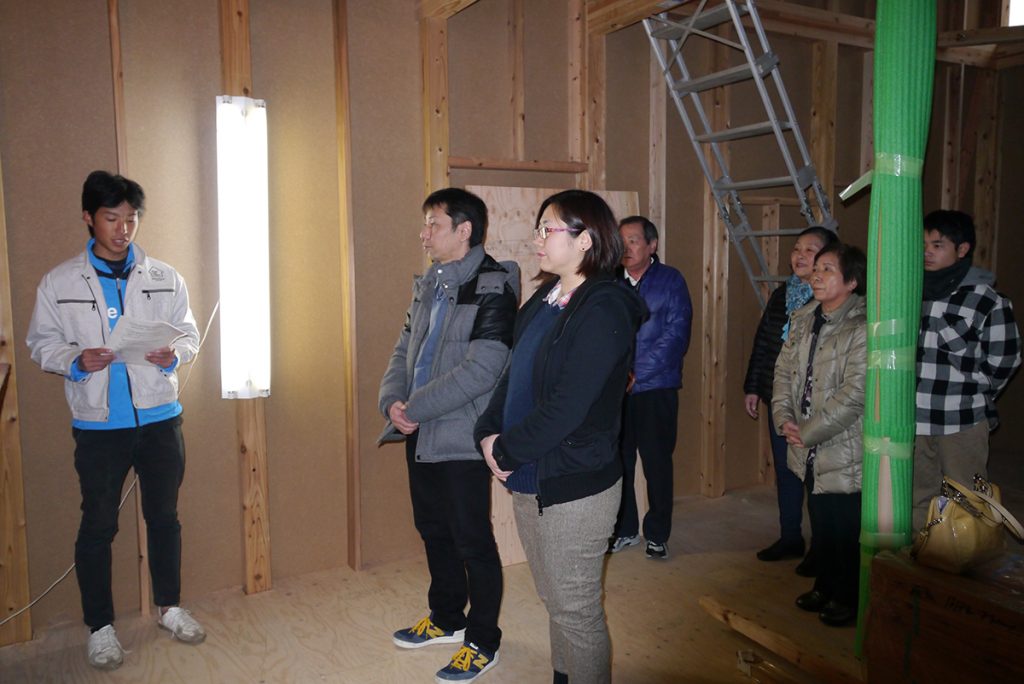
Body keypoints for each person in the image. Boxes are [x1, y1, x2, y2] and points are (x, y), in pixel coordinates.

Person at [26, 171, 204, 670]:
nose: (123, 229)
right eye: (112, 218)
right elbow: (41, 343)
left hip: (160, 419)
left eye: (131, 219)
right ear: (88, 218)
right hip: (99, 426)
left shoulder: (164, 276)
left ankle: (169, 608)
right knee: (98, 525)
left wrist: (175, 354)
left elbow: (188, 334)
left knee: (164, 517)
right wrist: (74, 360)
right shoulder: (60, 282)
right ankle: (100, 628)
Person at [475, 190, 644, 684]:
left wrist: (506, 448)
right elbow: (512, 374)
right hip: (530, 475)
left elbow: (569, 405)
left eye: (547, 229)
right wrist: (486, 431)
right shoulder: (545, 298)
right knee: (554, 600)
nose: (537, 238)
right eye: (538, 228)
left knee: (577, 611)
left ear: (585, 239)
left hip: (575, 484)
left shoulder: (606, 307)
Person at [378, 187, 518, 683]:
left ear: (464, 230)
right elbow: (403, 350)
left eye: (433, 224)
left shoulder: (495, 285)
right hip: (419, 430)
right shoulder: (429, 285)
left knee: (471, 540)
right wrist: (391, 403)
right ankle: (446, 617)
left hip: (460, 435)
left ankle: (482, 640)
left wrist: (411, 409)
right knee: (433, 529)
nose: (424, 234)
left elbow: (482, 370)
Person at [772, 242, 866, 627]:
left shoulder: (861, 327)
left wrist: (807, 432)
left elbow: (856, 394)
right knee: (821, 521)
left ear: (852, 282)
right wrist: (784, 418)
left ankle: (849, 596)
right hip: (805, 441)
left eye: (828, 269)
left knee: (845, 524)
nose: (817, 276)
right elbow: (783, 372)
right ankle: (825, 586)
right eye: (817, 268)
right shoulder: (803, 317)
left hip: (841, 442)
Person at [913, 210, 1021, 530]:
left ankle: (967, 556)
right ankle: (924, 552)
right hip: (915, 418)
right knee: (919, 495)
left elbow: (1006, 359)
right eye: (923, 245)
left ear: (962, 250)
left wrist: (974, 391)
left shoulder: (986, 300)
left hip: (962, 420)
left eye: (937, 245)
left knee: (967, 498)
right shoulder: (911, 292)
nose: (927, 252)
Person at [743, 227, 837, 573]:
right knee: (786, 472)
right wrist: (754, 387)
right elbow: (764, 342)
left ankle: (822, 547)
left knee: (816, 475)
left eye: (810, 250)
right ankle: (790, 537)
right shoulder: (784, 294)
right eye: (797, 248)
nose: (799, 255)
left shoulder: (832, 299)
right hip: (781, 399)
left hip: (816, 404)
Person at [608, 216, 692, 559]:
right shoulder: (611, 281)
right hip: (616, 391)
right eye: (622, 241)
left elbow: (676, 336)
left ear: (652, 245)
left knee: (657, 463)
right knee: (619, 462)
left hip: (657, 387)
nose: (626, 247)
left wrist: (635, 374)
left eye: (633, 240)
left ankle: (657, 533)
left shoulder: (671, 280)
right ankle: (625, 529)